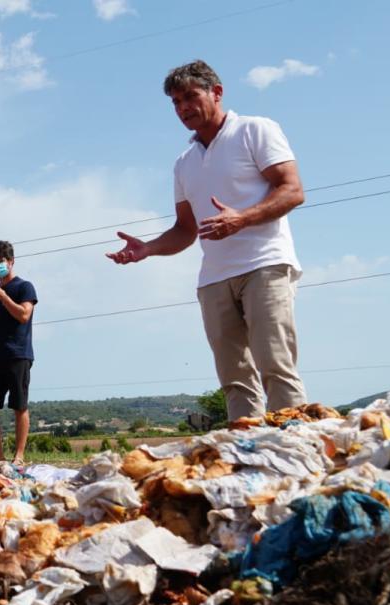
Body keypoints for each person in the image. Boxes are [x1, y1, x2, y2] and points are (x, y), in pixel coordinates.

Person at [107, 59, 307, 421]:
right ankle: (247, 462)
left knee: (275, 367)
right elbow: (185, 229)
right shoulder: (184, 162)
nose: (183, 108)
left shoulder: (255, 130)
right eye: (176, 103)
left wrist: (241, 218)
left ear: (216, 93)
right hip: (213, 279)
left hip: (265, 263)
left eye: (190, 97)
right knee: (234, 380)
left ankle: (297, 452)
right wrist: (148, 249)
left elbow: (292, 190)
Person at [0, 240, 37, 464]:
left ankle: (19, 455)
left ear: (11, 262)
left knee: (19, 406)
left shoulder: (24, 287)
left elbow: (23, 315)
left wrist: (5, 298)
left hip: (18, 354)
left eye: (0, 261)